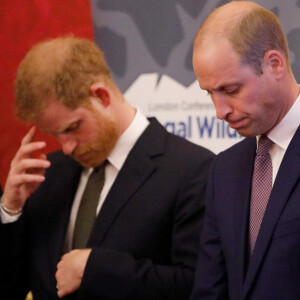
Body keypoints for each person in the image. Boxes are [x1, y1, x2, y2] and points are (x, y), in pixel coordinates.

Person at [0, 36, 214, 300]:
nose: (66, 147)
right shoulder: (46, 174)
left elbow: (196, 286)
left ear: (101, 96)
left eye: (72, 128)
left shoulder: (191, 169)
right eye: (55, 135)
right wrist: (10, 210)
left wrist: (96, 270)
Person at [190, 1, 300, 299]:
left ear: (274, 64)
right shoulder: (224, 170)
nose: (219, 111)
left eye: (230, 90)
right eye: (209, 93)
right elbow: (209, 288)